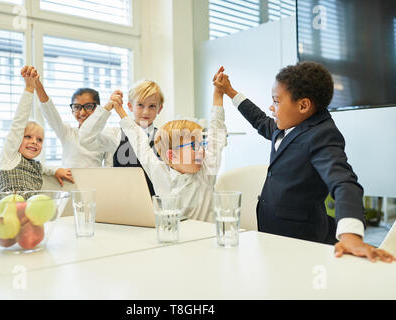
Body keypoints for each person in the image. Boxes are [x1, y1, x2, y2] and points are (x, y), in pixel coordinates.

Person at [213, 62, 394, 262]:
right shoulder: (289, 124)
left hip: (302, 240)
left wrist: (350, 235)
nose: (272, 107)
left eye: (277, 101)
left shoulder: (322, 135)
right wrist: (230, 92)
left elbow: (343, 182)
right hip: (272, 233)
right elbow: (260, 120)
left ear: (303, 105)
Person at [107, 69, 227, 222]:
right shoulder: (161, 175)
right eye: (193, 146)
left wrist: (218, 95)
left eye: (201, 144)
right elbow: (140, 143)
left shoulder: (206, 173)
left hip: (204, 242)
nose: (202, 150)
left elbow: (216, 136)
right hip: (171, 241)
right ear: (172, 155)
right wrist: (121, 112)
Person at [79, 80, 164, 196]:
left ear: (159, 108)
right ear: (130, 106)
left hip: (155, 206)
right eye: (140, 105)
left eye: (152, 106)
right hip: (122, 204)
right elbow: (85, 138)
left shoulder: (164, 138)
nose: (146, 111)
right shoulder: (116, 135)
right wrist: (106, 108)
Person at [0, 66, 73, 192]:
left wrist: (56, 170)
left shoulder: (34, 165)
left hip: (31, 211)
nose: (34, 142)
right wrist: (29, 88)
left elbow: (44, 168)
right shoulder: (8, 157)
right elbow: (18, 123)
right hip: (10, 211)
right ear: (18, 138)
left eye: (39, 140)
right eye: (28, 137)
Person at [34, 74, 118, 168]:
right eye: (77, 107)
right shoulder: (67, 132)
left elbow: (110, 168)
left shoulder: (103, 138)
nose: (82, 112)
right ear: (72, 110)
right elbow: (50, 113)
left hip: (94, 181)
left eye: (88, 106)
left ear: (98, 109)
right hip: (68, 182)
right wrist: (37, 84)